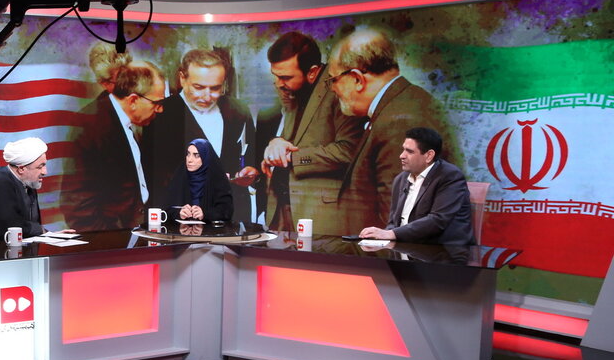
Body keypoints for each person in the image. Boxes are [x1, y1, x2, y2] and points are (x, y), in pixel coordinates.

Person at [325, 27, 460, 235]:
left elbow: (395, 227)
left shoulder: (398, 123)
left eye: (333, 80)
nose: (332, 89)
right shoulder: (408, 102)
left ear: (357, 79)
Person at [253, 31, 364, 233]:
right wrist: (276, 145)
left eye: (285, 77)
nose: (278, 84)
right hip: (280, 212)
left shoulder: (339, 89)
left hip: (320, 216)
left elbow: (350, 151)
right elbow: (293, 139)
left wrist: (291, 158)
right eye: (275, 76)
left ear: (312, 72)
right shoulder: (293, 90)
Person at [146, 48, 258, 220]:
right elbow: (151, 176)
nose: (206, 97)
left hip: (231, 215)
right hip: (181, 216)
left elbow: (251, 158)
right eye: (198, 87)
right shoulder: (159, 113)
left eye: (215, 88)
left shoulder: (238, 110)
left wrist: (251, 172)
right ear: (182, 78)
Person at [64, 59, 168, 231]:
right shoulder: (89, 127)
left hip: (140, 232)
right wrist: (113, 239)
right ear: (133, 100)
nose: (160, 109)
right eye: (156, 103)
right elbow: (78, 206)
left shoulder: (138, 123)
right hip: (113, 238)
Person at [360, 127, 476, 245]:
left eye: (409, 151)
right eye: (403, 150)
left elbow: (438, 221)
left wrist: (391, 234)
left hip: (442, 250)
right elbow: (393, 223)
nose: (402, 155)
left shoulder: (450, 176)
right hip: (406, 246)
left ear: (429, 155)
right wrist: (380, 238)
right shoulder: (400, 179)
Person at [165, 138, 234, 223]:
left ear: (206, 157)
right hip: (182, 230)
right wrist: (179, 213)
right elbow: (166, 210)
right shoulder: (181, 176)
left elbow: (226, 212)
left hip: (210, 230)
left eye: (196, 155)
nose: (190, 160)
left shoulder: (218, 179)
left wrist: (205, 214)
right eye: (188, 154)